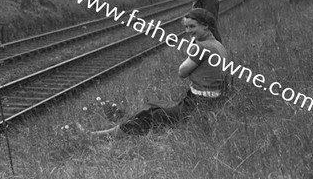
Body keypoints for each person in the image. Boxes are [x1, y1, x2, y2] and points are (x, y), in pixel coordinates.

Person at [85, 8, 228, 137]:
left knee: (150, 114)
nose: (188, 31)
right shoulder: (218, 45)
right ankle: (113, 131)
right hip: (209, 101)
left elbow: (182, 72)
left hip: (196, 104)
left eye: (192, 26)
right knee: (154, 103)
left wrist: (193, 46)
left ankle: (103, 135)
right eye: (186, 27)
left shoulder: (201, 47)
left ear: (205, 25)